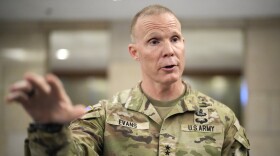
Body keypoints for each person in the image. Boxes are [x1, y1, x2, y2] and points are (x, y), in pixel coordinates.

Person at [6, 4, 250, 156]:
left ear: (183, 44)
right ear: (135, 52)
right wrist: (49, 129)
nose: (169, 50)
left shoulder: (223, 119)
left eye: (175, 39)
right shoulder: (105, 116)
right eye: (155, 41)